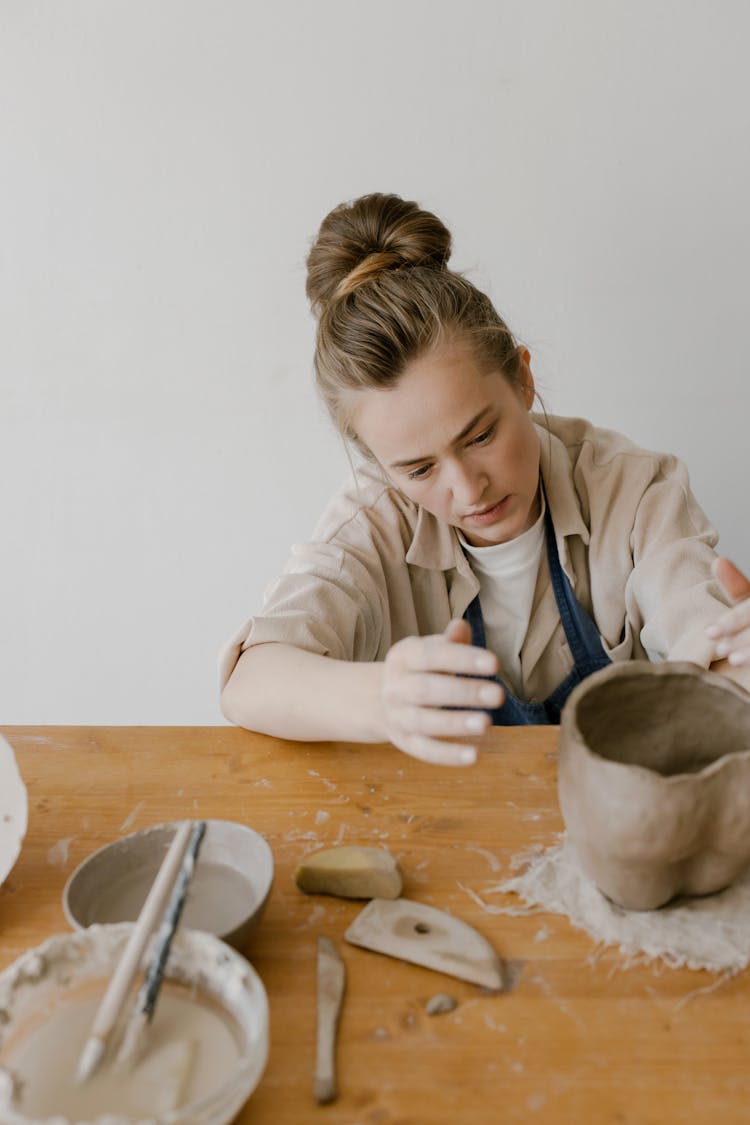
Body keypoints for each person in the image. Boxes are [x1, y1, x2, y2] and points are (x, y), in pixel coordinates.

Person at [220, 192, 750, 766]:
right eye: (418, 469)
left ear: (522, 379)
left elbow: (706, 635)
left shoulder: (634, 489)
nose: (469, 490)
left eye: (480, 437)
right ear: (376, 462)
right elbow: (251, 680)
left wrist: (737, 665)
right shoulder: (373, 521)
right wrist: (380, 699)